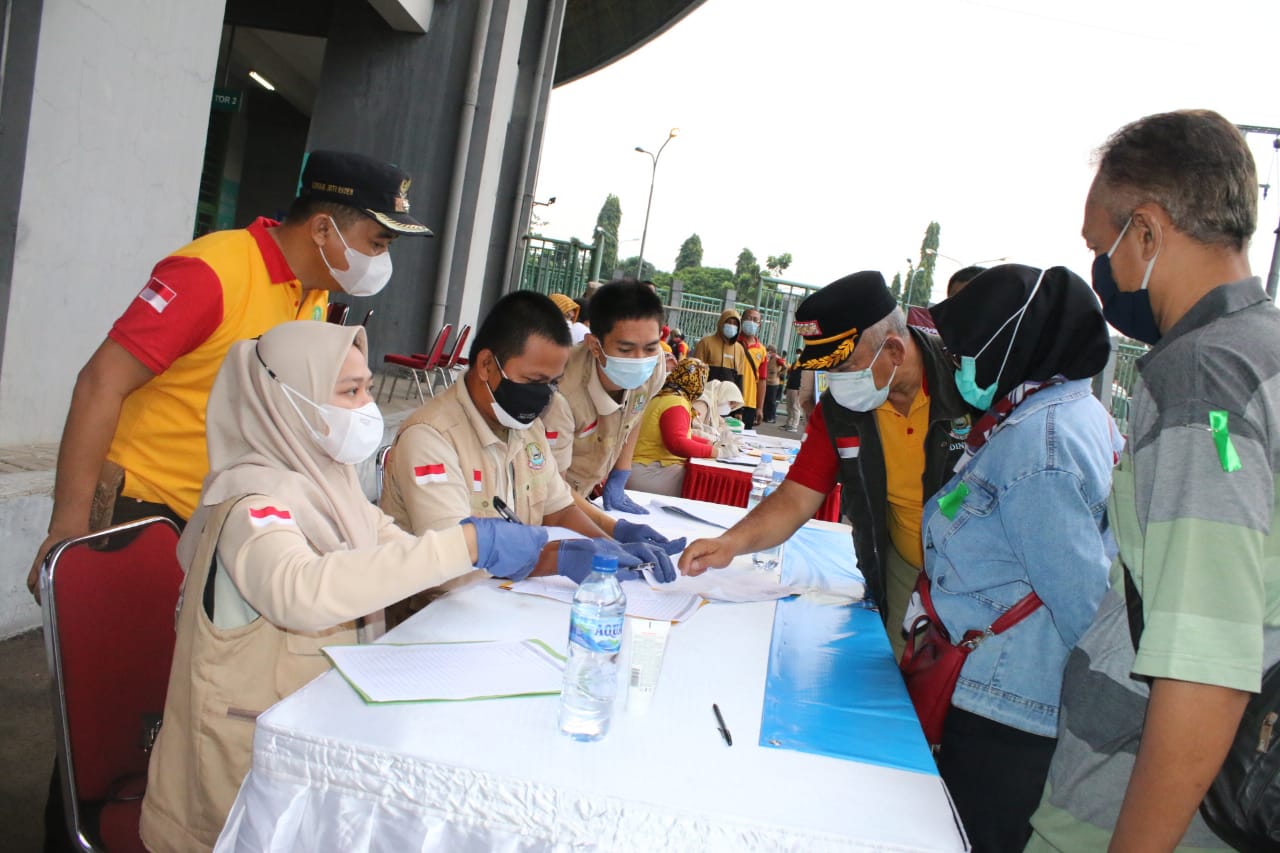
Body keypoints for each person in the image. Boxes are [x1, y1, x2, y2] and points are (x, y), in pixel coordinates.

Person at [137, 321, 555, 851]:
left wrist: (531, 554)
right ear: (289, 399)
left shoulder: (331, 488)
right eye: (349, 392)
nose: (366, 407)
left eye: (367, 389)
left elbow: (402, 553)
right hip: (242, 784)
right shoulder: (250, 503)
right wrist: (469, 543)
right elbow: (300, 591)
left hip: (315, 737)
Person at [1028, 110, 1280, 851]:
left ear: (1145, 232)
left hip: (1130, 809)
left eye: (1099, 247)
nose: (1101, 271)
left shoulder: (1204, 379)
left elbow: (1205, 664)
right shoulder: (1264, 353)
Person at [26, 150, 430, 602]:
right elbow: (99, 383)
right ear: (322, 229)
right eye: (377, 243)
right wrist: (67, 527)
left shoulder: (313, 294)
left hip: (219, 513)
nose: (381, 260)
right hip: (144, 511)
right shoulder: (212, 272)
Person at [919, 264, 1119, 850]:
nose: (958, 363)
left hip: (1006, 709)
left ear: (1012, 345)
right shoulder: (1056, 411)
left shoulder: (1041, 443)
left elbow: (1080, 599)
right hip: (1003, 691)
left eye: (967, 350)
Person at [679, 272, 975, 657]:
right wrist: (729, 543)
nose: (835, 381)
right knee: (899, 672)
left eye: (844, 366)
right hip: (905, 569)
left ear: (894, 351)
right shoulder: (840, 411)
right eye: (827, 369)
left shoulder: (968, 382)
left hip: (981, 573)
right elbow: (796, 497)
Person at [379, 290, 680, 618]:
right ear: (486, 365)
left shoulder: (524, 425)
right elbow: (453, 560)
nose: (543, 396)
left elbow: (558, 507)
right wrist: (557, 557)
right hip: (431, 618)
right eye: (533, 380)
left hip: (504, 606)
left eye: (552, 383)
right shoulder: (431, 437)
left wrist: (609, 543)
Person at [543, 280, 669, 525]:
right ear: (594, 345)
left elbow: (636, 412)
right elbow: (553, 485)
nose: (639, 359)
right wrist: (609, 528)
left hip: (583, 493)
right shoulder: (561, 392)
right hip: (550, 498)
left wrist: (621, 473)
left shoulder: (655, 365)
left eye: (649, 348)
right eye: (626, 350)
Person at [630, 358, 734, 496]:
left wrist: (711, 443)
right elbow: (678, 443)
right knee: (710, 486)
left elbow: (684, 435)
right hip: (652, 470)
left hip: (644, 468)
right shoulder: (676, 403)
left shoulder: (663, 396)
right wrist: (716, 452)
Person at [692, 308, 756, 426]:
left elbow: (739, 378)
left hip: (727, 405)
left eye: (735, 324)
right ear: (721, 323)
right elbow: (695, 372)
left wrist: (739, 410)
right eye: (728, 322)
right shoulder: (706, 343)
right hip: (706, 400)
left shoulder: (739, 349)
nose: (732, 326)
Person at [737, 307, 769, 429]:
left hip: (749, 403)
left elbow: (762, 380)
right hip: (729, 400)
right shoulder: (732, 343)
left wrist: (760, 408)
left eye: (755, 320)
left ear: (759, 325)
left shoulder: (762, 350)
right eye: (748, 318)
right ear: (741, 321)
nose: (751, 322)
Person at [783, 347, 806, 432]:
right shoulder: (794, 363)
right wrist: (786, 387)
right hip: (790, 386)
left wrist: (801, 388)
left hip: (797, 388)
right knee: (789, 406)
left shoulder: (804, 365)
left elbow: (804, 378)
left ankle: (794, 426)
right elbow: (790, 376)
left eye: (799, 352)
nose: (798, 354)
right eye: (797, 352)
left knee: (795, 407)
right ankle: (789, 423)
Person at [763, 343, 786, 423]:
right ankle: (765, 416)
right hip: (766, 381)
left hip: (773, 382)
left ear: (772, 351)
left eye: (768, 350)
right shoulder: (767, 357)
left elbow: (785, 366)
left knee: (771, 400)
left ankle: (771, 417)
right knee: (766, 400)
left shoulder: (777, 358)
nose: (767, 351)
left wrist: (779, 373)